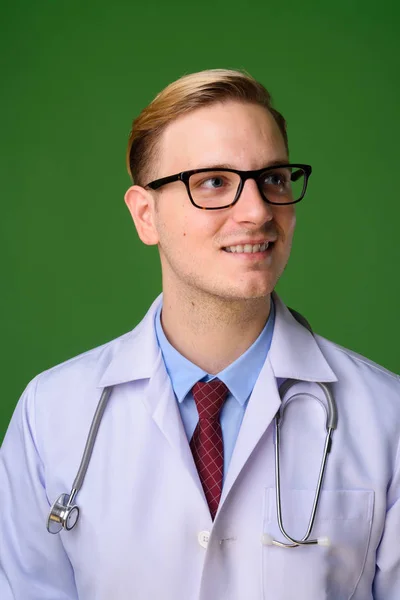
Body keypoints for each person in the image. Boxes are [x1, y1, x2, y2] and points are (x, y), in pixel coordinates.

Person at [0, 68, 399, 600]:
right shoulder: (50, 416)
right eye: (214, 182)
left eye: (274, 178)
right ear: (146, 215)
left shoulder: (386, 415)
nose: (258, 211)